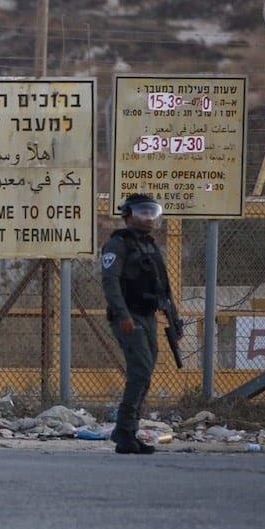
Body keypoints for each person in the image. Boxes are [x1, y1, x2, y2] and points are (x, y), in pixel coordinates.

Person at [101, 193, 175, 455]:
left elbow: (161, 283)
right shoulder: (118, 245)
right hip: (129, 317)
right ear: (128, 215)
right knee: (140, 371)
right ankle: (123, 430)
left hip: (147, 315)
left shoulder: (149, 245)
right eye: (142, 213)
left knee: (145, 373)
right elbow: (110, 283)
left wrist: (171, 313)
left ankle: (130, 431)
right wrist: (123, 316)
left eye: (151, 212)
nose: (148, 218)